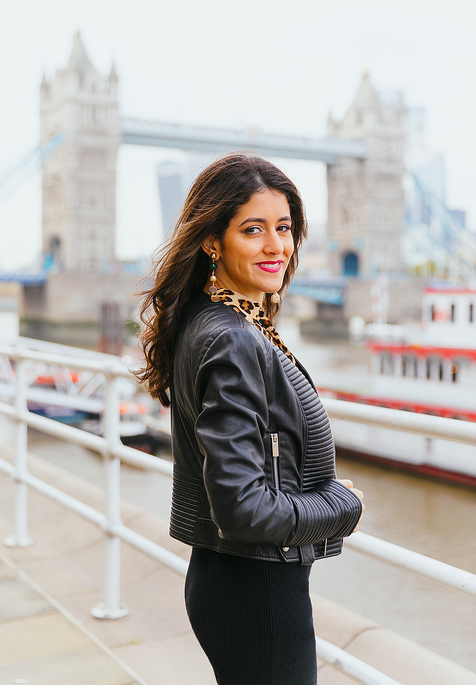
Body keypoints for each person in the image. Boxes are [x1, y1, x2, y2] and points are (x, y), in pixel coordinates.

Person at [138, 153, 364, 685]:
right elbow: (242, 508)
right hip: (258, 599)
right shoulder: (232, 339)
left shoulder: (208, 318)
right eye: (253, 230)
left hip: (230, 582)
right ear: (212, 241)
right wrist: (340, 506)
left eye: (284, 228)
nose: (276, 246)